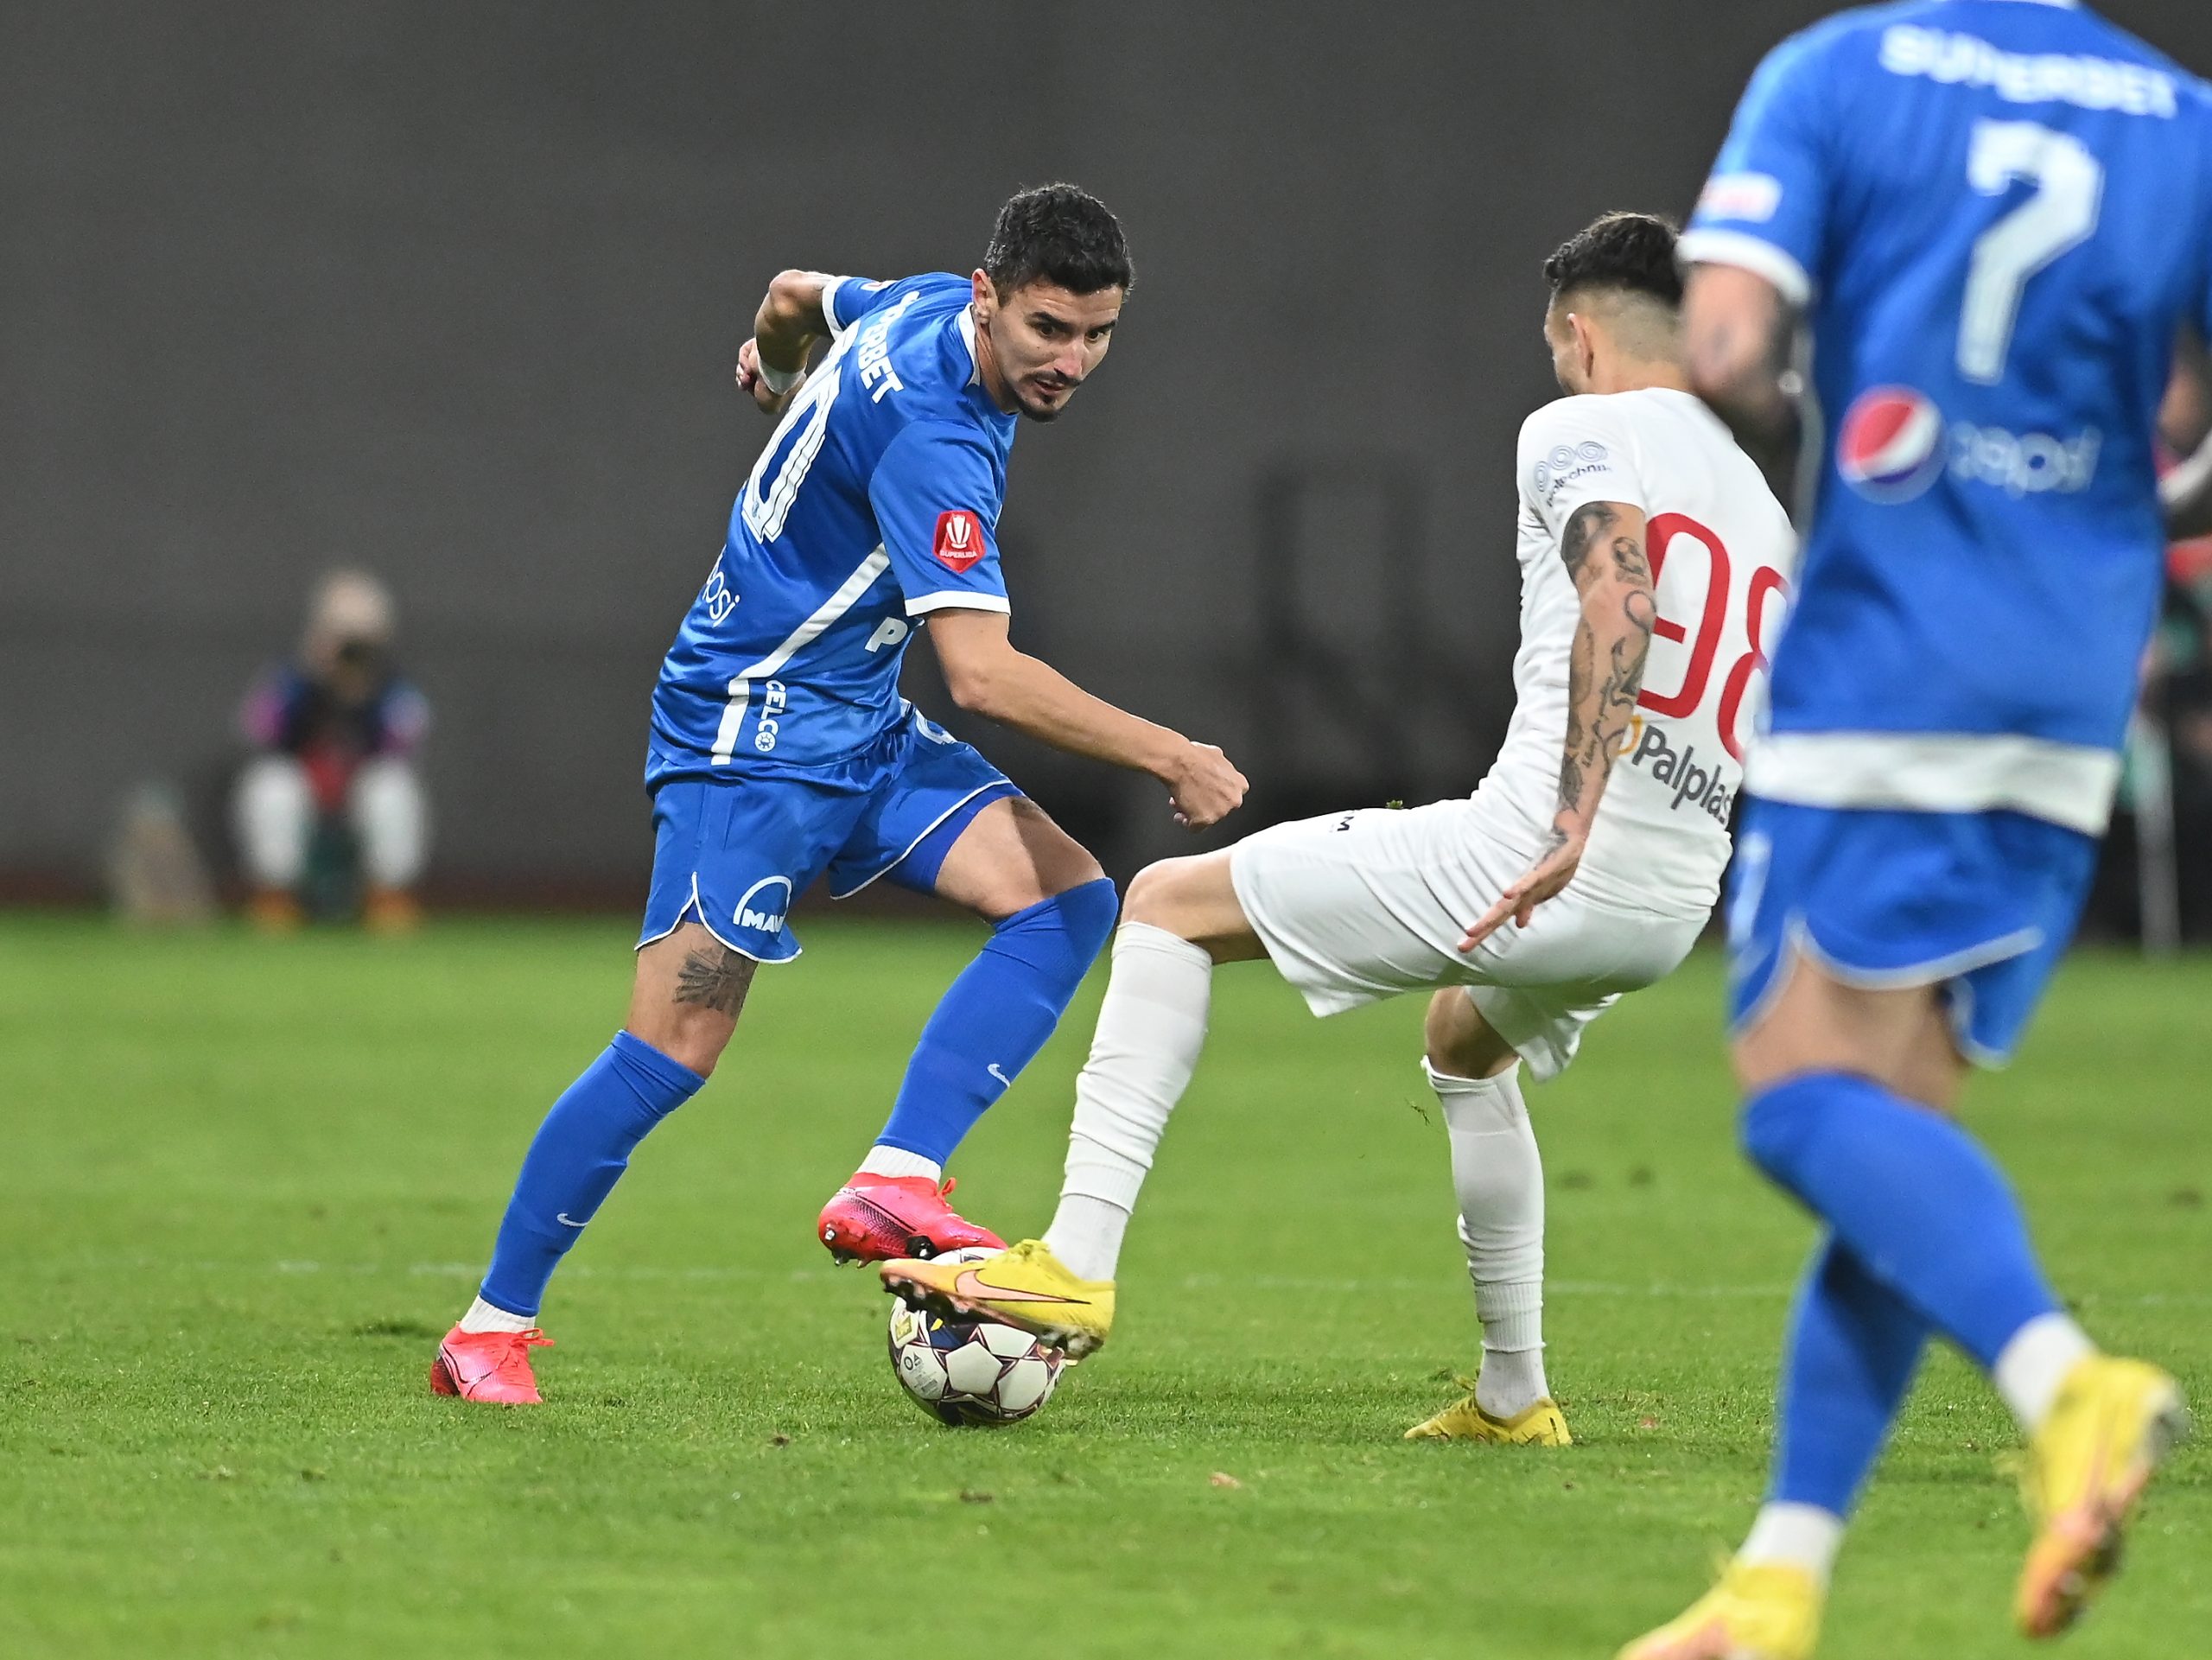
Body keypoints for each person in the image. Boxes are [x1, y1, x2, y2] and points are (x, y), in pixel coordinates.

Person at [883, 213, 1794, 1449]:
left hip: (1533, 856)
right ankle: (1514, 1399)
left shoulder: (1582, 426)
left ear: (1579, 335)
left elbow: (1618, 587)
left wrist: (1573, 813)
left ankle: (1075, 1262)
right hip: (1673, 901)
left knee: (1163, 907)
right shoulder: (1755, 499)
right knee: (1466, 1044)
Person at [430, 184, 1247, 1405]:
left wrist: (768, 368)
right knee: (673, 1046)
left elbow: (791, 292)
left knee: (1070, 901)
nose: (1071, 362)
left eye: (1097, 336)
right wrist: (1172, 753)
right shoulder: (939, 436)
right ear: (990, 300)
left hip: (854, 720)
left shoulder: (916, 304)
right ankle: (489, 1327)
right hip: (747, 736)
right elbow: (982, 673)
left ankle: (896, 1176)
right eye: (1046, 331)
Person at [1618, 7, 2209, 1657]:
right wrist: (2120, 501)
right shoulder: (2182, 119)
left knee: (1794, 1101)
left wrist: (1762, 361)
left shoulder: (1840, 73)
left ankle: (2063, 1384)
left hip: (1890, 653)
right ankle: (1778, 1579)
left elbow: (1728, 339)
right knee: (1895, 1122)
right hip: (2075, 675)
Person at [232, 569, 430, 931]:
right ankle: (277, 897)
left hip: (358, 790)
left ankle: (387, 895)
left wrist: (366, 698)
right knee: (271, 785)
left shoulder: (391, 686)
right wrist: (310, 678)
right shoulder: (294, 677)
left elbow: (407, 738)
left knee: (391, 787)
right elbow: (260, 727)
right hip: (307, 786)